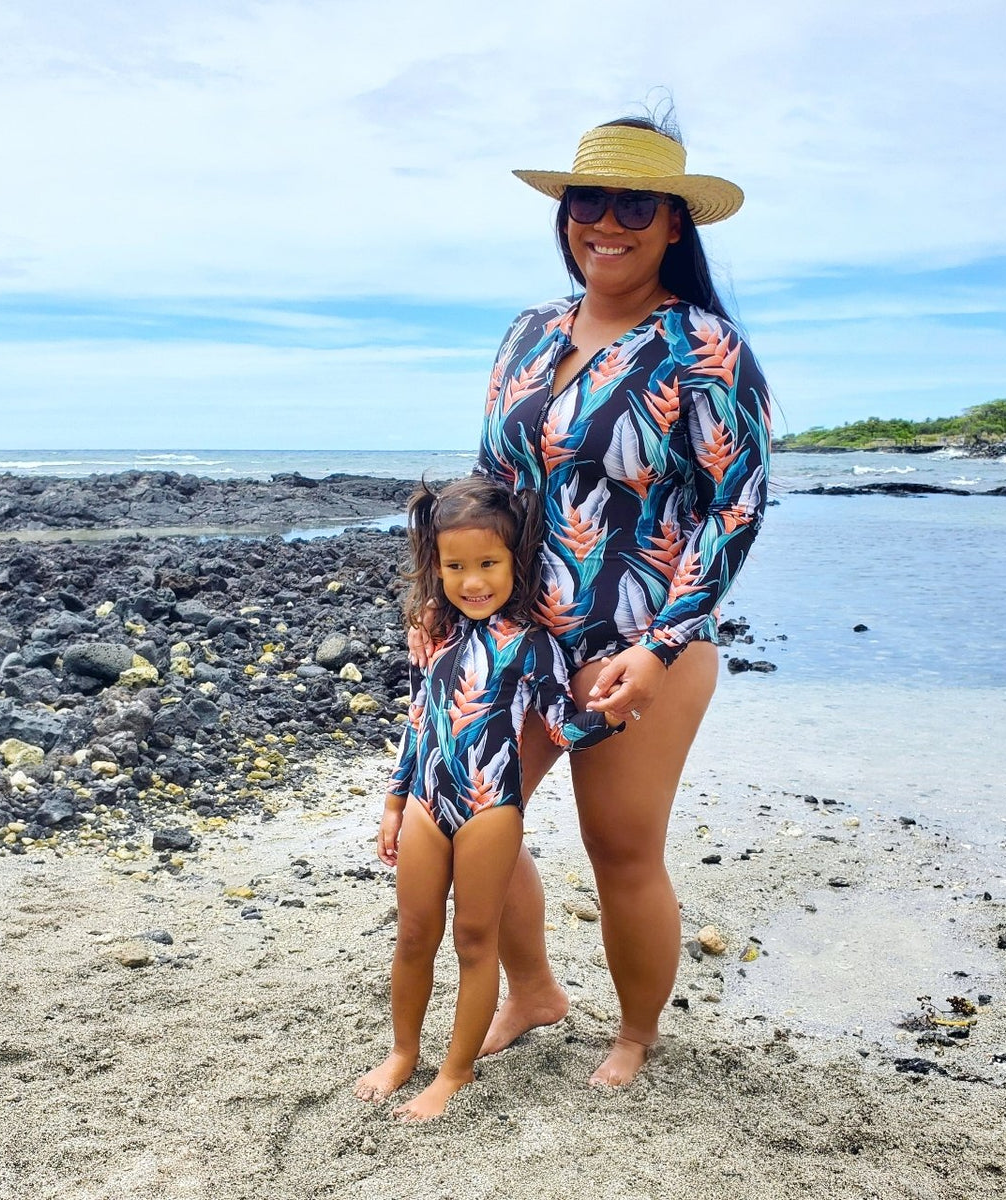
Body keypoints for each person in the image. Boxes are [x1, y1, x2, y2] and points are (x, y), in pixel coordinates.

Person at [421, 116, 772, 1087]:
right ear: (566, 214)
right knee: (464, 829)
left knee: (621, 851)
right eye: (588, 202)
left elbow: (733, 509)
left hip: (640, 649)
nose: (605, 224)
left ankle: (635, 1034)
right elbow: (486, 490)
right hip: (519, 639)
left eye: (634, 206)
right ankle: (533, 993)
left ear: (671, 225)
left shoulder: (704, 346)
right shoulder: (529, 331)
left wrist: (660, 649)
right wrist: (445, 608)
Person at [355, 475, 624, 1121]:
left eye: (488, 564)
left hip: (489, 810)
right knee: (414, 935)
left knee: (475, 941)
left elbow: (560, 726)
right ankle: (402, 1053)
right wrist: (395, 802)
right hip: (425, 804)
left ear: (515, 563)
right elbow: (420, 721)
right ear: (435, 567)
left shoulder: (534, 646)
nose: (472, 581)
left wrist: (615, 715)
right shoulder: (436, 639)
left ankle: (455, 1071)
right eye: (455, 566)